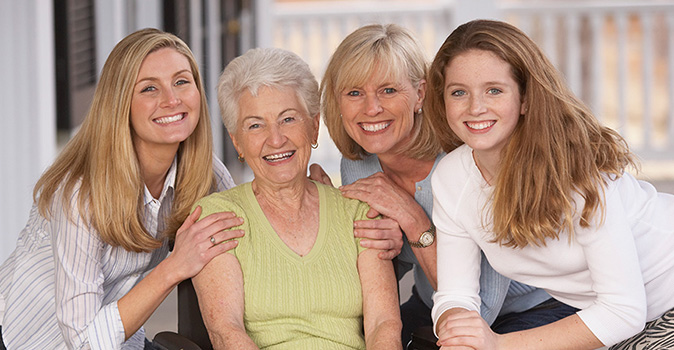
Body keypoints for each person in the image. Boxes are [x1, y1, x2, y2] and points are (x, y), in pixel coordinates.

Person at [315, 23, 576, 346]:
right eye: (354, 93)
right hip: (433, 305)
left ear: (420, 94)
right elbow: (373, 279)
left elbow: (480, 309)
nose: (371, 108)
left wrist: (414, 221)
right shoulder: (359, 164)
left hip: (533, 309)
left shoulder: (468, 160)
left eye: (388, 90)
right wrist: (326, 224)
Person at [0, 28, 243, 349]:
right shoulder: (82, 192)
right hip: (34, 337)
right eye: (149, 88)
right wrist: (175, 266)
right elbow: (83, 342)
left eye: (181, 81)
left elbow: (244, 232)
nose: (171, 99)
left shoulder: (203, 170)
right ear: (121, 104)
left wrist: (308, 192)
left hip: (117, 334)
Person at [428, 19, 674, 349]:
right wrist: (459, 331)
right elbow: (456, 293)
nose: (475, 107)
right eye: (459, 92)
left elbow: (623, 311)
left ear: (526, 99)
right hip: (615, 318)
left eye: (494, 90)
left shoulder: (574, 173)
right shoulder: (450, 179)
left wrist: (498, 344)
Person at [191, 47, 402, 349]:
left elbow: (385, 324)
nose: (275, 139)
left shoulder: (358, 212)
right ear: (237, 141)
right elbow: (226, 332)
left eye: (288, 119)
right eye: (255, 125)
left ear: (314, 127)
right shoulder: (218, 216)